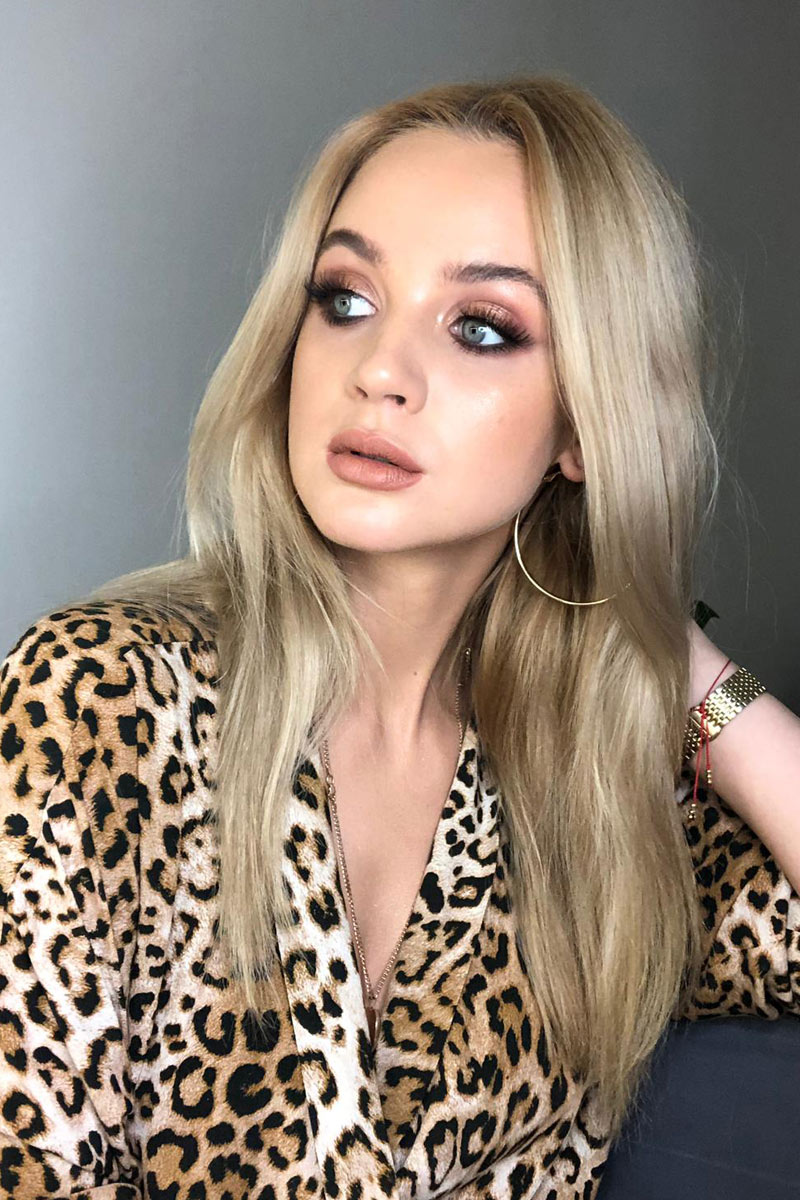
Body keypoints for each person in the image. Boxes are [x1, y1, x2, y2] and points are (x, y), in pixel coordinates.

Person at [0, 73, 798, 1200]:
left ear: (585, 424)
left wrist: (675, 654)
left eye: (481, 327)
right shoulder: (95, 703)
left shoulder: (581, 787)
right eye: (345, 299)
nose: (378, 371)